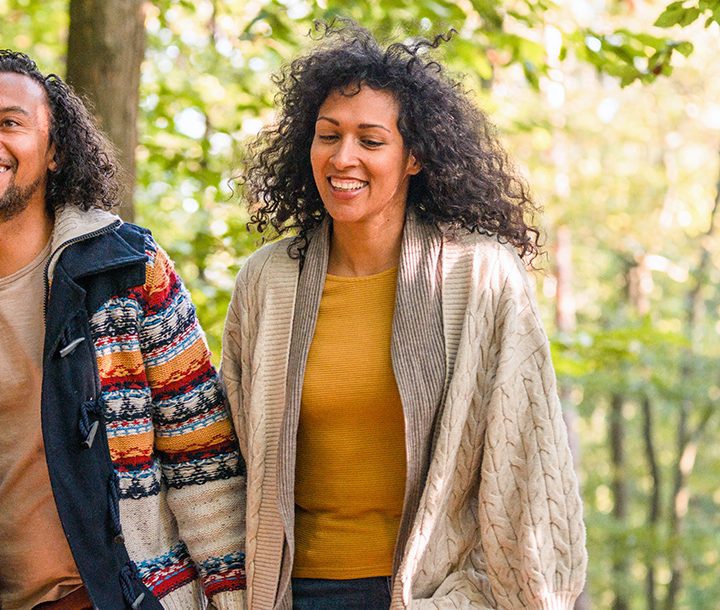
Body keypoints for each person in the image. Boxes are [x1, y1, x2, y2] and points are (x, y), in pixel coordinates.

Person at [0, 49, 247, 610]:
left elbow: (201, 453)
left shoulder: (128, 268)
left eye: (11, 122)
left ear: (55, 151)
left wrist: (232, 596)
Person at [222, 22, 587, 610]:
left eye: (371, 140)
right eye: (327, 136)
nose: (344, 158)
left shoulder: (481, 276)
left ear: (414, 155)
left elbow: (528, 462)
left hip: (433, 594)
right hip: (288, 592)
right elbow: (231, 458)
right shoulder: (267, 279)